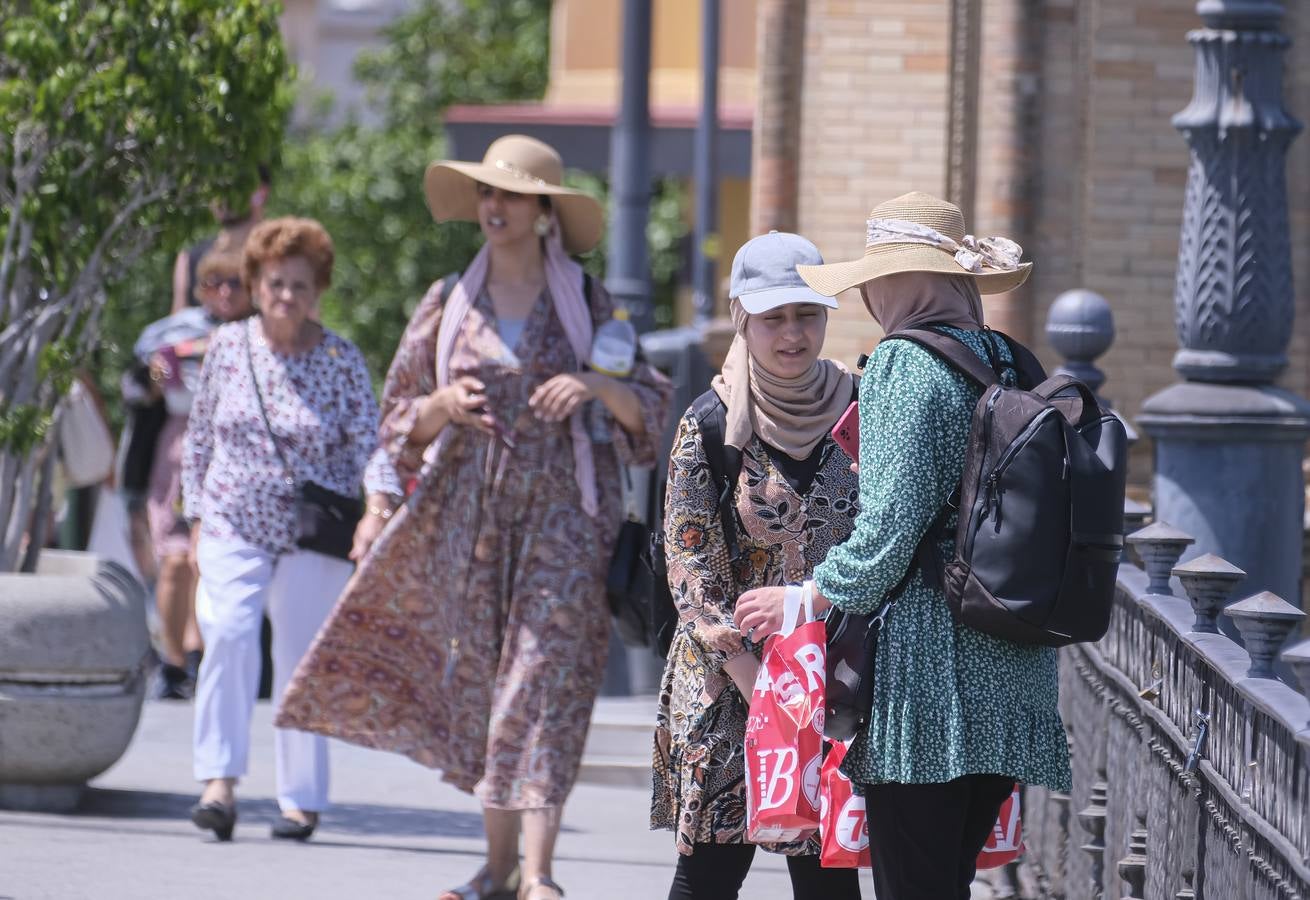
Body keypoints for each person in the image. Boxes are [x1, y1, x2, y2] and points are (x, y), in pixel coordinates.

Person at [275, 135, 672, 900]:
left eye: (511, 195)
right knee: (491, 689)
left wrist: (593, 384)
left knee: (544, 685)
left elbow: (649, 409)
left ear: (545, 212)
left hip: (567, 520)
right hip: (467, 525)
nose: (494, 207)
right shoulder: (447, 303)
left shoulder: (590, 305)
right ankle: (498, 868)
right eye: (487, 194)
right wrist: (441, 407)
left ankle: (540, 873)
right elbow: (394, 418)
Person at [734, 192, 1073, 900]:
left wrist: (806, 597)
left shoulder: (905, 362)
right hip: (1013, 660)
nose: (869, 297)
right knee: (944, 880)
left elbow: (888, 530)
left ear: (902, 279)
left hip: (930, 681)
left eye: (873, 280)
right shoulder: (1010, 357)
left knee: (913, 886)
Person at [651, 232, 862, 900]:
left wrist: (812, 703)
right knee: (708, 879)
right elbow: (691, 567)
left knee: (828, 880)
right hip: (729, 687)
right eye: (774, 318)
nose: (793, 334)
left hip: (835, 689)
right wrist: (764, 687)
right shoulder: (711, 424)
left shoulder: (863, 411)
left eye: (807, 314)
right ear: (744, 319)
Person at [181, 217, 399, 842]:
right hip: (232, 518)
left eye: (299, 285)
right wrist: (195, 517)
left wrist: (378, 509)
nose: (285, 296)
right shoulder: (227, 347)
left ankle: (300, 798)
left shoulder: (339, 359)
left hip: (314, 531)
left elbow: (371, 442)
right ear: (254, 283)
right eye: (275, 283)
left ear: (318, 290)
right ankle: (219, 783)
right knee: (227, 630)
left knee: (302, 657)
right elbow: (199, 438)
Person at [132, 247, 256, 698]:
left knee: (213, 561)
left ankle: (205, 656)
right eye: (212, 283)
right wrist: (154, 375)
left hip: (237, 451)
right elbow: (135, 386)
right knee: (176, 559)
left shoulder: (261, 334)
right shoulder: (173, 332)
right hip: (180, 449)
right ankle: (172, 661)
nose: (223, 293)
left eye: (234, 283)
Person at [171, 166, 270, 314]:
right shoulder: (189, 258)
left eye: (233, 186)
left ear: (260, 192)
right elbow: (178, 328)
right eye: (215, 187)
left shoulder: (281, 254)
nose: (221, 197)